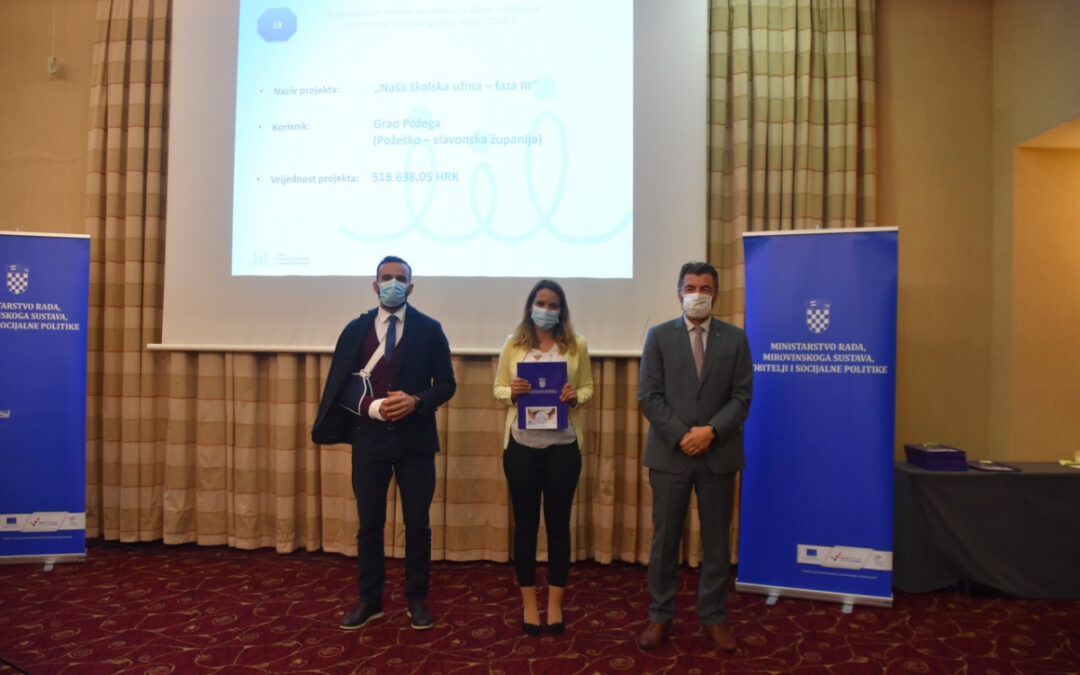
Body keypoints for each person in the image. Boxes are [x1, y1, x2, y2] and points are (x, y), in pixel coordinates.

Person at [311, 255, 456, 631]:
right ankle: (370, 600)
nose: (393, 284)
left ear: (411, 286)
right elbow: (339, 385)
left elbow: (447, 384)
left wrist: (417, 401)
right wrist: (371, 408)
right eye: (386, 278)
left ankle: (416, 598)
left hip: (416, 441)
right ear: (375, 286)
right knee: (369, 524)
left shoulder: (430, 329)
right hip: (369, 440)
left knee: (417, 524)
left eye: (400, 279)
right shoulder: (355, 330)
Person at [636, 261, 753, 651]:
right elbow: (649, 396)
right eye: (690, 288)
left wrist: (711, 432)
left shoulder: (736, 339)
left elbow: (742, 397)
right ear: (679, 293)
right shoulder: (658, 336)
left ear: (715, 294)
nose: (697, 294)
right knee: (665, 542)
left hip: (718, 454)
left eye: (705, 288)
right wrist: (683, 435)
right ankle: (660, 616)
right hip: (671, 455)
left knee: (716, 544)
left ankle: (713, 618)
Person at [493, 280, 594, 636]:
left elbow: (588, 388)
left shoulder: (577, 344)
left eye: (553, 305)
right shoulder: (513, 344)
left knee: (558, 526)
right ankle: (528, 604)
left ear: (561, 310)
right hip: (521, 447)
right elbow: (498, 388)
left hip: (563, 448)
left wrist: (575, 396)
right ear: (530, 306)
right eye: (541, 303)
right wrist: (512, 392)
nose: (546, 310)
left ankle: (554, 604)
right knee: (525, 526)